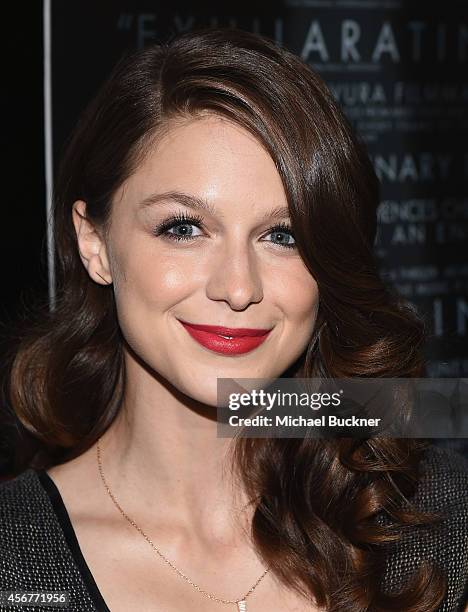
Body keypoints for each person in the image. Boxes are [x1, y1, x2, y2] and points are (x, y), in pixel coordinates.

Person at [1, 27, 467, 612]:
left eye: (282, 235)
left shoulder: (438, 520)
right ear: (94, 242)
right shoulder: (12, 558)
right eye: (184, 228)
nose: (239, 287)